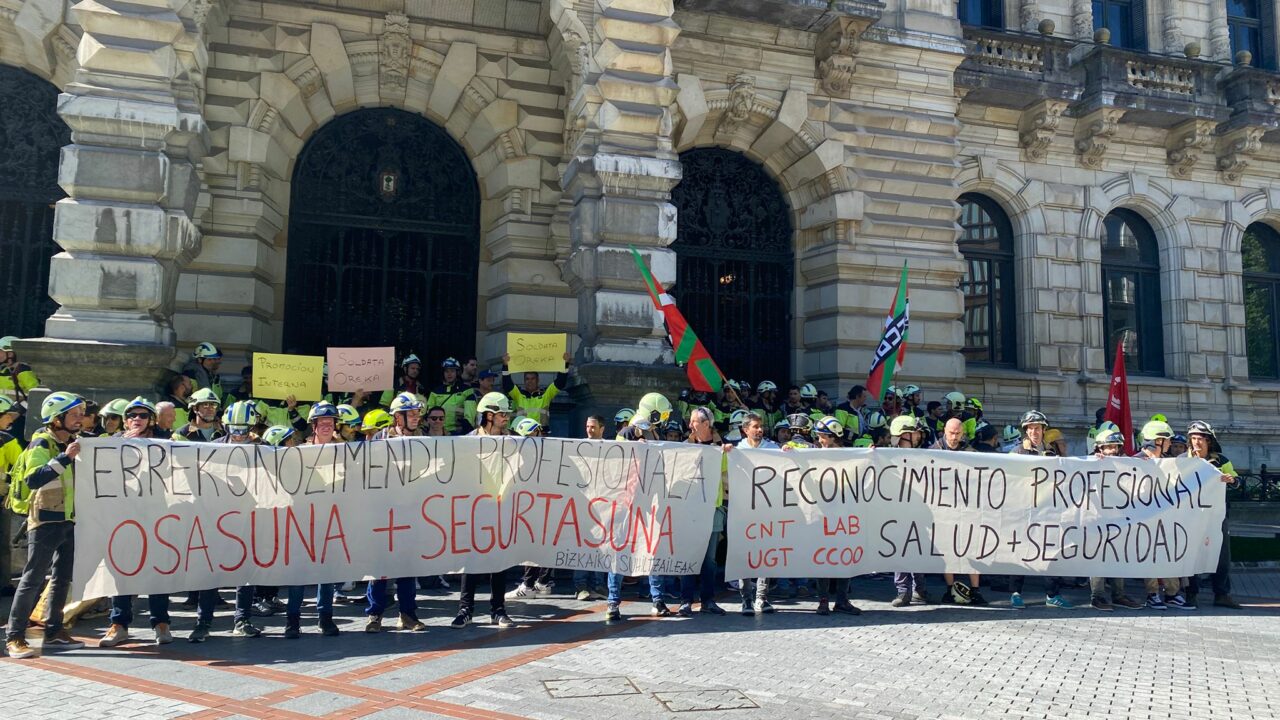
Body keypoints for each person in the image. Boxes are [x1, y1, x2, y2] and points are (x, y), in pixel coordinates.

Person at [5, 391, 86, 659]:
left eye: (81, 414)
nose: (80, 419)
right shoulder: (42, 442)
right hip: (45, 521)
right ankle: (14, 636)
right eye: (74, 415)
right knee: (33, 578)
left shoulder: (73, 441)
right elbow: (33, 479)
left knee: (63, 578)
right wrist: (65, 458)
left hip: (68, 519)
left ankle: (54, 631)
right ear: (56, 418)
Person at [100, 398, 174, 647]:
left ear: (151, 419)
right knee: (121, 571)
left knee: (157, 572)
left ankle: (161, 622)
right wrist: (125, 443)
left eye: (143, 415)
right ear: (125, 420)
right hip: (123, 517)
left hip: (155, 516)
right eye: (132, 416)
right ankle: (119, 624)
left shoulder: (166, 442)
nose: (137, 419)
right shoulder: (112, 444)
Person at [189, 401, 264, 642]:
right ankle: (203, 623)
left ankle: (242, 619)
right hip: (216, 520)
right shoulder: (212, 449)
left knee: (245, 571)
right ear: (226, 426)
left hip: (249, 519)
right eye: (235, 429)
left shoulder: (263, 450)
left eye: (244, 430)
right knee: (211, 572)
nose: (239, 435)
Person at [604, 392, 674, 623]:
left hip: (650, 499)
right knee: (619, 549)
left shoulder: (656, 431)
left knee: (652, 549)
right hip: (627, 500)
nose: (663, 418)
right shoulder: (627, 432)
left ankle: (657, 599)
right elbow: (617, 462)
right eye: (661, 414)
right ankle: (613, 602)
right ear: (652, 412)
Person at [452, 392, 517, 629]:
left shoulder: (513, 441)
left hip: (501, 508)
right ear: (489, 415)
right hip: (474, 508)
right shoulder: (468, 441)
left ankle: (498, 610)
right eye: (502, 414)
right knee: (471, 562)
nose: (506, 418)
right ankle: (465, 609)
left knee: (498, 561)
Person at [365, 392, 427, 632]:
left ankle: (407, 614)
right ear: (397, 418)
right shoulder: (380, 439)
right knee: (379, 567)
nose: (415, 418)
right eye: (410, 414)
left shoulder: (424, 439)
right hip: (383, 510)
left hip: (410, 510)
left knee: (407, 565)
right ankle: (375, 615)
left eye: (416, 413)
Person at [282, 402, 342, 638]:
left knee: (327, 573)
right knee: (298, 574)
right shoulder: (299, 453)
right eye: (322, 423)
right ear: (314, 426)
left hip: (330, 520)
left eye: (331, 422)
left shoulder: (345, 452)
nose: (327, 426)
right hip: (303, 521)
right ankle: (293, 620)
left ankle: (325, 618)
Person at [1007, 410, 1072, 610]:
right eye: (1031, 428)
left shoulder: (1052, 452)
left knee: (1050, 553)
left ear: (1044, 429)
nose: (1034, 431)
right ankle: (1015, 593)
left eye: (1038, 428)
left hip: (1047, 511)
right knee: (1020, 552)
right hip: (1023, 512)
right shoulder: (1016, 453)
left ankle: (1052, 594)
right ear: (1026, 430)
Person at [1184, 421, 1241, 609]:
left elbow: (1237, 481)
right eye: (1193, 438)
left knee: (1222, 555)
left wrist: (1231, 479)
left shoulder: (1222, 461)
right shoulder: (1183, 460)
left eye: (1200, 438)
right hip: (1192, 516)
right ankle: (1191, 594)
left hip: (1217, 516)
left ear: (1209, 440)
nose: (1196, 442)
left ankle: (1222, 594)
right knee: (1192, 555)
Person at [1085, 429, 1144, 611]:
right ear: (1100, 448)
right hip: (1097, 519)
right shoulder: (1091, 463)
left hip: (1120, 518)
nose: (1111, 450)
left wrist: (1146, 465)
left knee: (1119, 557)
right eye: (1107, 447)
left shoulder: (1126, 464)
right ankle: (1097, 596)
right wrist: (1094, 463)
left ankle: (1118, 595)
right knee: (1098, 558)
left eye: (1114, 447)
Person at [678, 407, 728, 617]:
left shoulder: (722, 448)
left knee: (710, 560)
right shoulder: (684, 448)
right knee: (689, 555)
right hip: (691, 510)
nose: (690, 425)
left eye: (694, 422)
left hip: (713, 509)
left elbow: (727, 476)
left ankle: (708, 600)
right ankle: (686, 600)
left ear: (706, 424)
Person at [932, 418, 986, 605]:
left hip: (966, 511)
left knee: (972, 550)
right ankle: (950, 589)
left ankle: (975, 590)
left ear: (963, 434)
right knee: (947, 551)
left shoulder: (970, 453)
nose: (954, 437)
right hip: (943, 511)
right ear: (944, 432)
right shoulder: (932, 452)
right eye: (951, 433)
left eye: (958, 434)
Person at [811, 416, 862, 616]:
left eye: (823, 436)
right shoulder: (812, 455)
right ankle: (823, 599)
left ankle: (842, 599)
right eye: (819, 436)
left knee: (844, 558)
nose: (820, 439)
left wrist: (872, 455)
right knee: (823, 558)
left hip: (844, 516)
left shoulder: (848, 456)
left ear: (834, 436)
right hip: (822, 515)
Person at [1135, 419, 1186, 610]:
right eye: (1167, 440)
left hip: (1166, 517)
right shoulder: (1136, 461)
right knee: (1151, 555)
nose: (1170, 444)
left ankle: (1172, 593)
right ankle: (1152, 593)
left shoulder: (1166, 462)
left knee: (1168, 553)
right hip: (1145, 518)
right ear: (1157, 440)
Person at [733, 412, 777, 615]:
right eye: (755, 427)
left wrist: (789, 452)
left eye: (761, 427)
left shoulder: (773, 448)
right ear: (745, 430)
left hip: (767, 511)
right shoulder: (736, 450)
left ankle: (762, 598)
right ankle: (746, 600)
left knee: (765, 555)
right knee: (745, 555)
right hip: (744, 512)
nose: (760, 430)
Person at [889, 415, 931, 607]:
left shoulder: (923, 455)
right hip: (898, 513)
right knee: (900, 551)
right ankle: (903, 591)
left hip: (920, 512)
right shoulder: (886, 456)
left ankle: (920, 589)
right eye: (914, 432)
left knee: (917, 550)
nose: (918, 435)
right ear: (904, 434)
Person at [502, 351, 573, 428]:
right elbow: (507, 385)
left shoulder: (546, 394)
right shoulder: (519, 395)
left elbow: (560, 383)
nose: (530, 381)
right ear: (524, 381)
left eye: (533, 379)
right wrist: (505, 366)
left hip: (541, 435)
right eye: (527, 379)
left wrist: (565, 364)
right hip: (522, 434)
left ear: (538, 380)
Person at [426, 357, 471, 434]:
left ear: (457, 372)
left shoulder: (467, 390)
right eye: (446, 371)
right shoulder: (435, 391)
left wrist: (467, 429)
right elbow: (429, 412)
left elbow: (470, 414)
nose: (449, 374)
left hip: (459, 432)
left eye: (452, 371)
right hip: (440, 431)